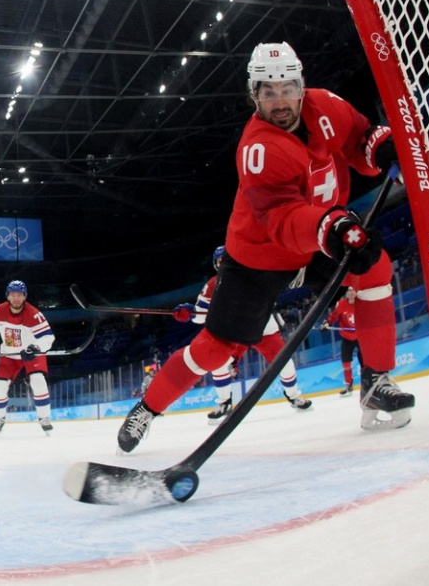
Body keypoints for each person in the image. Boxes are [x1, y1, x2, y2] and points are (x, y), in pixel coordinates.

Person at [117, 42, 413, 454]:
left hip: (319, 240)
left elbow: (359, 138)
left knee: (375, 268)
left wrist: (380, 149)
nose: (279, 101)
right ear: (253, 94)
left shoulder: (325, 105)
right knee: (214, 348)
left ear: (301, 86)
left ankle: (376, 380)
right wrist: (333, 225)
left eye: (287, 88)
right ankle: (147, 409)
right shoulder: (257, 148)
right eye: (267, 92)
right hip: (261, 257)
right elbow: (282, 218)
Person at [173, 245, 313, 425]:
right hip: (233, 333)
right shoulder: (212, 285)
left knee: (284, 361)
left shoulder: (254, 274)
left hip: (261, 328)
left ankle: (294, 396)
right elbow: (199, 317)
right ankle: (224, 403)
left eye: (227, 260)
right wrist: (189, 312)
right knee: (218, 364)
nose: (224, 264)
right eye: (220, 261)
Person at [0, 280, 55, 435]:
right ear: (8, 296)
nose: (16, 298)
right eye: (13, 295)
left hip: (31, 353)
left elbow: (48, 338)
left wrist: (35, 348)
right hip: (9, 354)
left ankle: (44, 418)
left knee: (38, 381)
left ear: (24, 297)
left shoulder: (34, 314)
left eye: (20, 295)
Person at [323, 286, 361, 396]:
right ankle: (348, 384)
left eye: (353, 290)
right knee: (346, 362)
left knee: (366, 360)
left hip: (360, 336)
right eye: (349, 290)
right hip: (347, 337)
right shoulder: (342, 304)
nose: (351, 292)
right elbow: (334, 316)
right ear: (347, 293)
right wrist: (327, 323)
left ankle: (371, 380)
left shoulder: (362, 303)